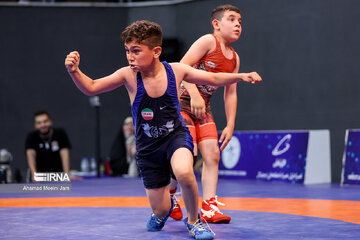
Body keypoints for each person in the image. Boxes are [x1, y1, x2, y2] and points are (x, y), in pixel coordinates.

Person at [64, 20, 261, 239]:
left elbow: (213, 78)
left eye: (136, 51)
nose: (130, 56)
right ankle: (162, 211)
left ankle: (195, 221)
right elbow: (91, 87)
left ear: (156, 51)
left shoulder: (175, 70)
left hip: (176, 136)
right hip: (148, 148)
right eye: (127, 51)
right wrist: (74, 71)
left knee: (185, 172)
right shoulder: (127, 75)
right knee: (161, 209)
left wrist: (241, 76)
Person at [169, 5, 247, 224]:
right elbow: (181, 67)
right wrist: (193, 93)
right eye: (231, 19)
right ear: (216, 24)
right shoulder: (207, 41)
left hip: (203, 108)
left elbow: (230, 93)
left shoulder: (234, 58)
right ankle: (171, 195)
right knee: (185, 154)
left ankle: (209, 207)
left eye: (240, 21)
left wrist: (231, 124)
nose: (238, 24)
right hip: (182, 104)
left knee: (212, 154)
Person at [25, 110, 72, 182]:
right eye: (39, 123)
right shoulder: (31, 137)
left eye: (45, 121)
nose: (43, 125)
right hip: (40, 176)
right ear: (35, 125)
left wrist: (67, 175)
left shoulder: (60, 133)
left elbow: (65, 155)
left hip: (58, 176)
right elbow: (31, 156)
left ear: (50, 122)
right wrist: (35, 175)